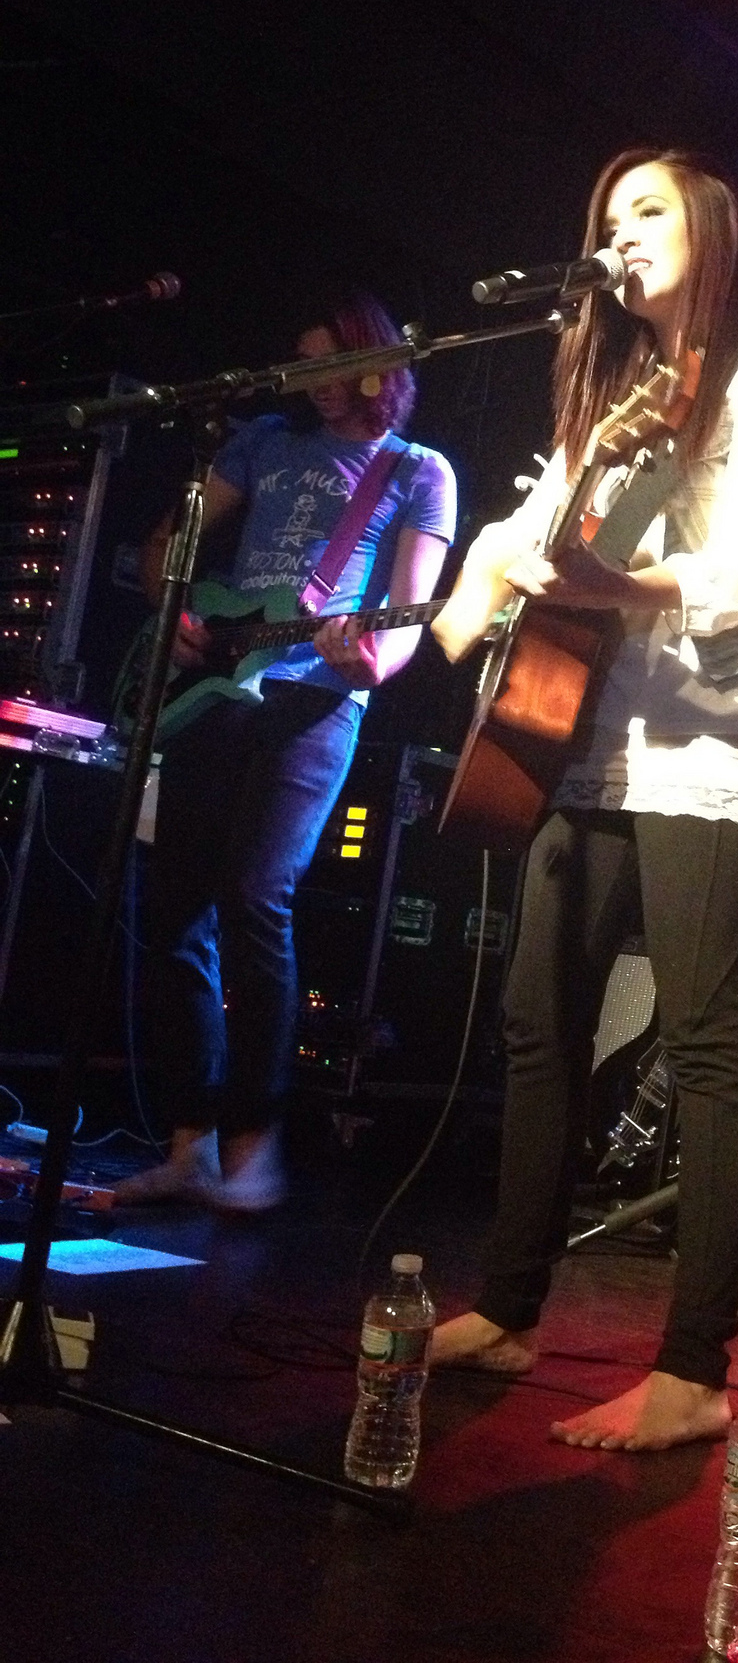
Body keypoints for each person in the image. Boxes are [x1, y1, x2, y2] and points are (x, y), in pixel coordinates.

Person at [428, 148, 738, 1451]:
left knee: (706, 1037)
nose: (624, 235)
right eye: (609, 219)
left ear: (711, 226)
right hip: (592, 733)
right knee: (537, 1016)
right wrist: (481, 583)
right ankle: (509, 1306)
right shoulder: (614, 406)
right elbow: (515, 569)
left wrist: (603, 584)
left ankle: (695, 1369)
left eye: (649, 211)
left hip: (715, 735)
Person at [118, 295, 457, 1211]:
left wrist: (370, 659)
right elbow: (166, 547)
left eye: (323, 366)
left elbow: (409, 616)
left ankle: (252, 1146)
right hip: (217, 688)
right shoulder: (262, 441)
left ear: (373, 366)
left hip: (317, 697)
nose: (307, 384)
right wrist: (171, 608)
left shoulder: (417, 470)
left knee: (255, 898)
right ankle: (188, 1146)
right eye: (299, 367)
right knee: (175, 910)